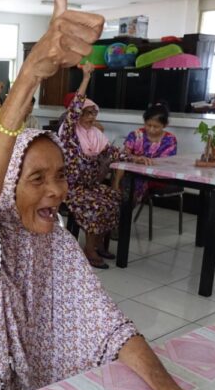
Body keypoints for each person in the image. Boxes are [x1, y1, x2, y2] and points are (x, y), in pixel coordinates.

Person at [0, 0, 198, 390]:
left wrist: (167, 388)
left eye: (60, 176)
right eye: (36, 178)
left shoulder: (57, 243)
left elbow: (109, 326)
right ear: (8, 183)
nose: (56, 191)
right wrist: (31, 72)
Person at [59, 61, 151, 269]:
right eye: (87, 113)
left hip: (90, 186)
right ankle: (89, 250)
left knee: (115, 197)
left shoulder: (95, 135)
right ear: (78, 116)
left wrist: (134, 158)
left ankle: (99, 244)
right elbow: (75, 106)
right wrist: (86, 78)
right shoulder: (69, 133)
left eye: (94, 113)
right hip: (72, 188)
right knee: (98, 204)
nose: (91, 117)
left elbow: (112, 152)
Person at [114, 102, 178, 203]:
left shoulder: (170, 140)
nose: (151, 129)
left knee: (132, 185)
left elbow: (167, 163)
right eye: (148, 125)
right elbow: (123, 155)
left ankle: (123, 209)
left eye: (156, 127)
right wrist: (136, 158)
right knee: (122, 166)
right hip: (133, 173)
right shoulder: (135, 135)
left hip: (155, 177)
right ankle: (116, 190)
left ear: (165, 125)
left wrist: (146, 163)